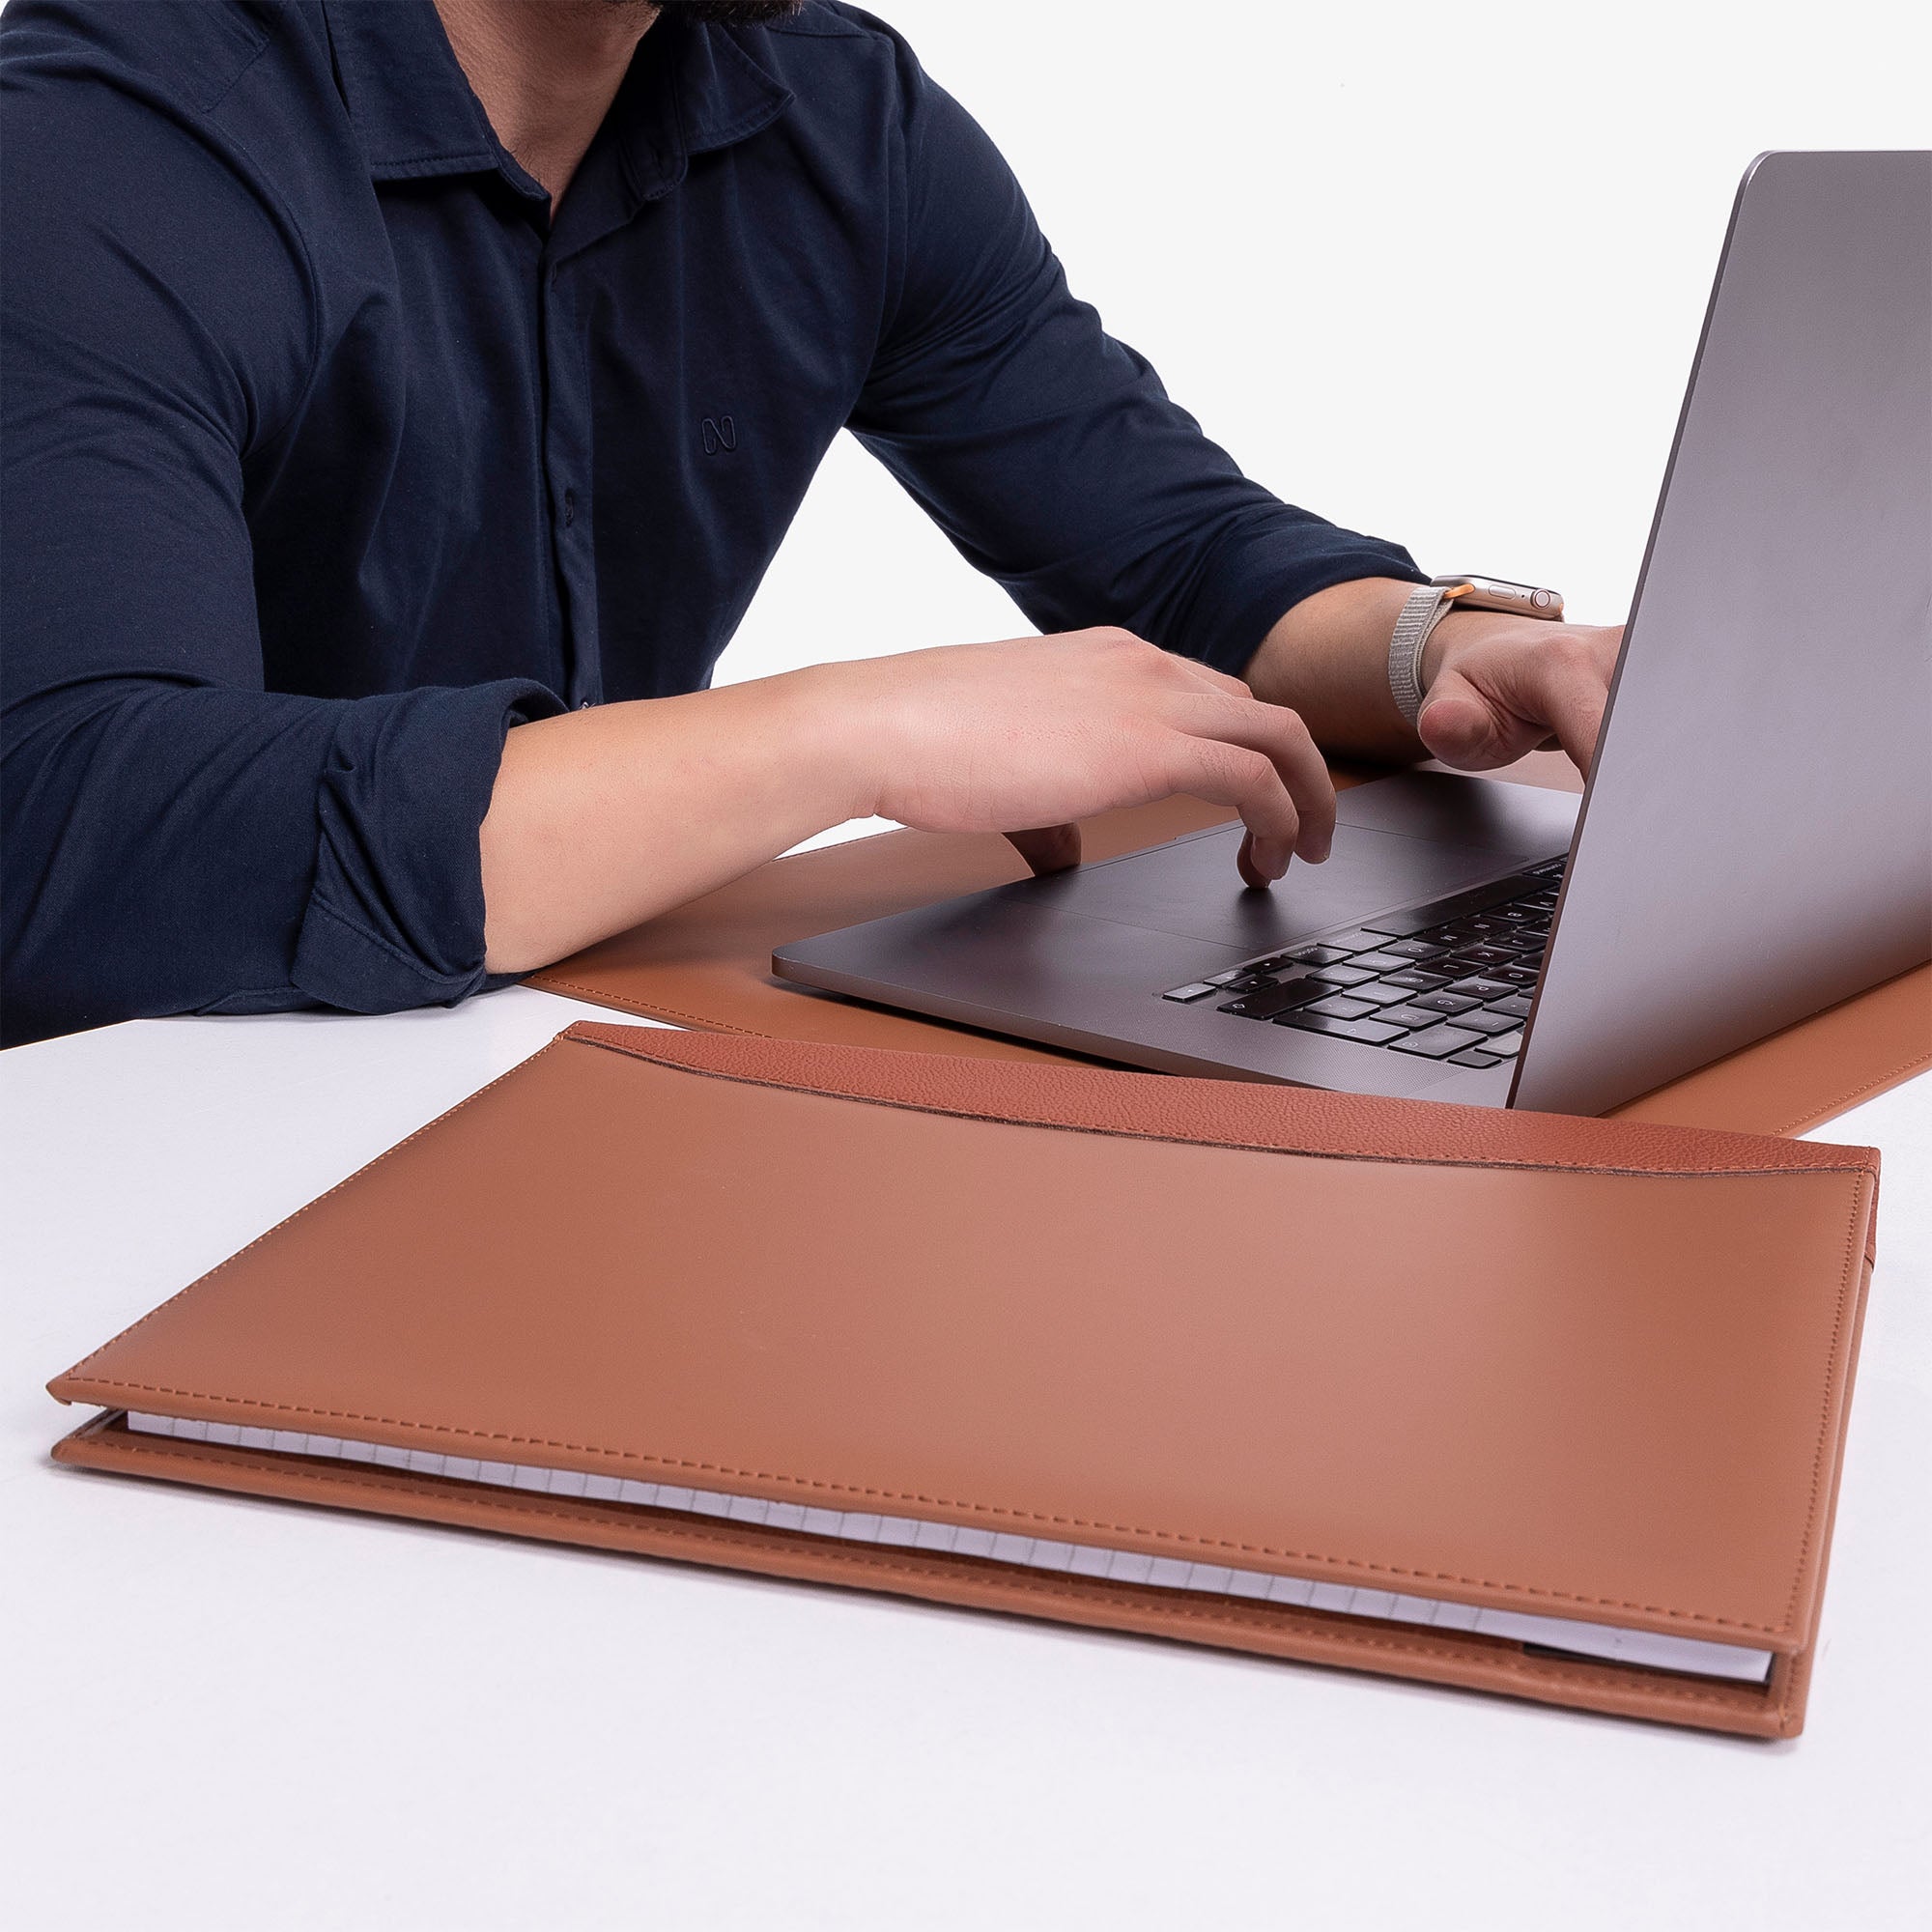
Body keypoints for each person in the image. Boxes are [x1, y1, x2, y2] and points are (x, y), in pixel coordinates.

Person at [0, 0, 1618, 1048]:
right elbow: (74, 838)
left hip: (519, 1091)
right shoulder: (100, 148)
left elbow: (1182, 562)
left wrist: (1463, 656)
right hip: (115, 1167)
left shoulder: (836, 119)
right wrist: (843, 738)